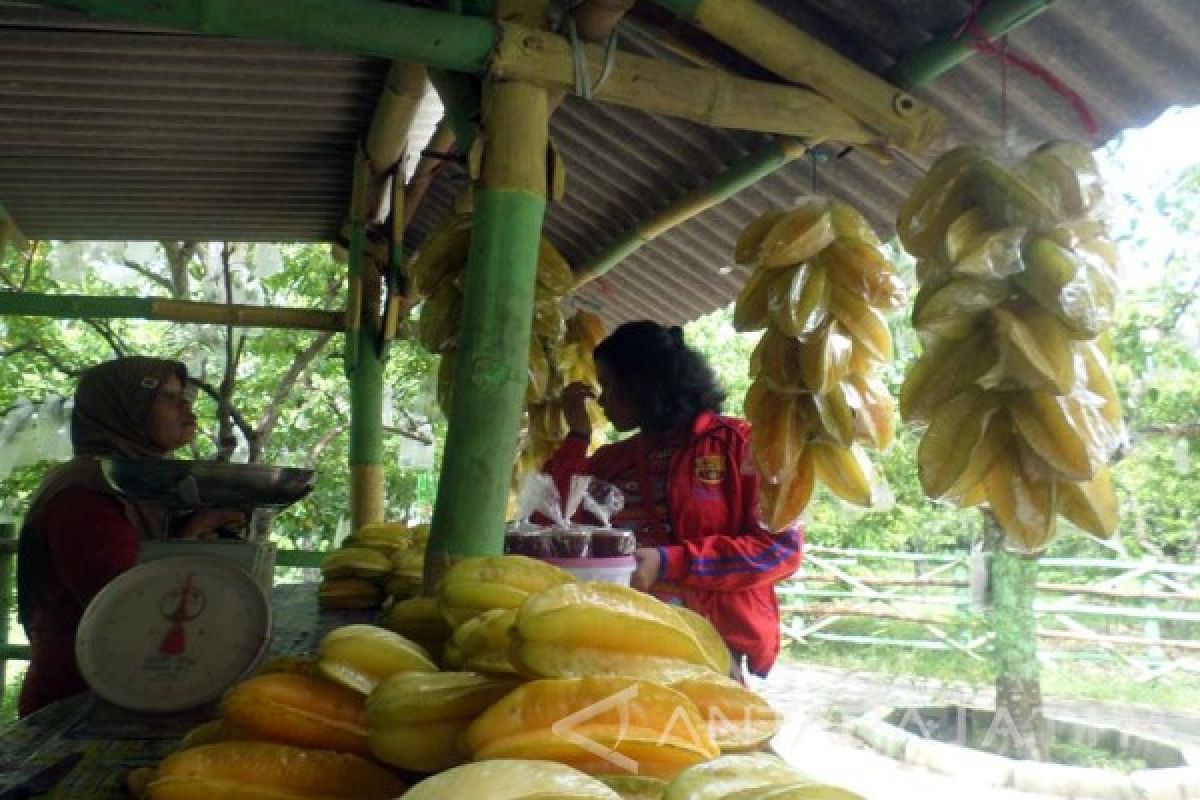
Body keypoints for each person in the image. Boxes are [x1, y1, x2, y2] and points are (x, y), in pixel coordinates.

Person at [546, 320, 802, 679]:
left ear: (643, 384)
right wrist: (577, 435)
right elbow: (550, 522)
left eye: (609, 385)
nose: (601, 400)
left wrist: (670, 561)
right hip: (620, 643)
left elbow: (781, 551)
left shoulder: (741, 445)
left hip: (711, 649)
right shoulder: (613, 460)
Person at [16, 356, 242, 717]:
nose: (186, 406)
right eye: (169, 398)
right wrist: (190, 536)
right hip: (77, 703)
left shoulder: (139, 482)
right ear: (126, 410)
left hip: (135, 688)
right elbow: (129, 608)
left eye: (184, 395)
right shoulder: (83, 494)